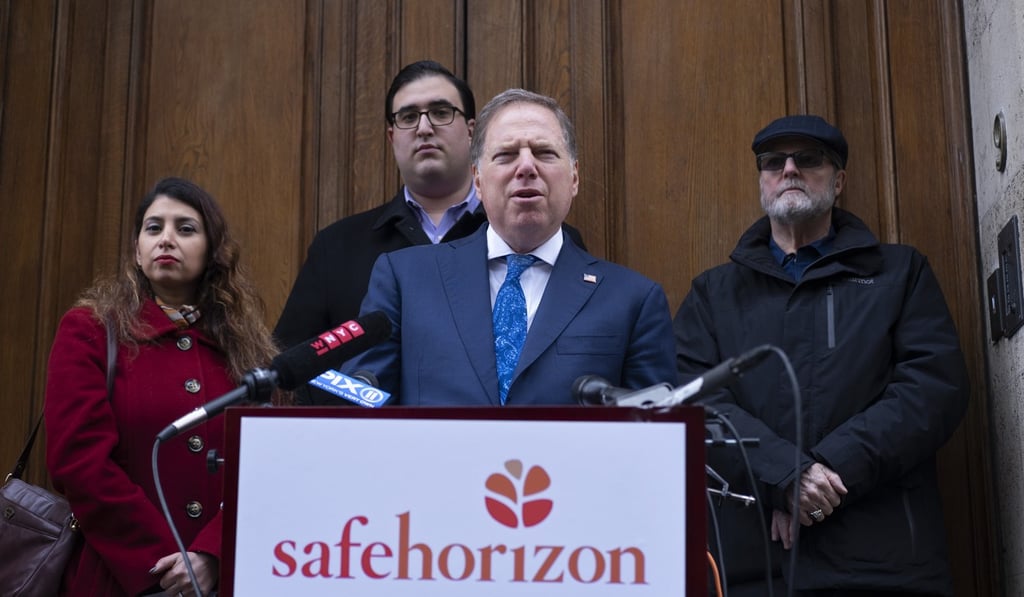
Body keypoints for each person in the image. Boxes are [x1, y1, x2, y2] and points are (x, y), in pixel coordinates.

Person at [674, 115, 969, 596]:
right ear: (762, 181)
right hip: (753, 565)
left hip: (885, 559)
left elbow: (933, 390)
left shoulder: (900, 273)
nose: (789, 170)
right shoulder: (713, 294)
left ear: (839, 180)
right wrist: (784, 475)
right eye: (773, 162)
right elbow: (690, 402)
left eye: (807, 159)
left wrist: (828, 472)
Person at [273, 61, 585, 404]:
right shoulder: (338, 246)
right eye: (407, 117)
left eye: (440, 112)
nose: (424, 128)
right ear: (392, 136)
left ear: (471, 131)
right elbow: (294, 363)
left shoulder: (541, 238)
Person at [343, 88, 677, 405]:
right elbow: (361, 406)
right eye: (506, 155)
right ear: (478, 180)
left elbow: (654, 439)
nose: (527, 167)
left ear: (574, 177)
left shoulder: (633, 300)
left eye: (545, 153)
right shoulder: (405, 279)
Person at [44, 177, 280, 596]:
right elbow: (78, 463)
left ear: (212, 251)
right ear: (137, 249)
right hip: (119, 578)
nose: (166, 238)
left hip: (222, 578)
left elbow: (268, 465)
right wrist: (162, 564)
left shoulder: (245, 346)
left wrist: (212, 553)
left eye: (185, 229)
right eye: (154, 228)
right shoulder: (90, 330)